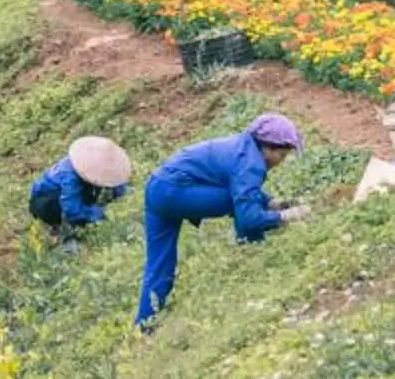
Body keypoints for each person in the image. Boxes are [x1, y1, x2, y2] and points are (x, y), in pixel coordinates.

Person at [137, 112, 308, 326]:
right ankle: (252, 252)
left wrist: (271, 202)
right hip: (176, 191)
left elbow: (237, 186)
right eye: (282, 155)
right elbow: (248, 216)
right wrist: (286, 216)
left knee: (160, 265)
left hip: (157, 187)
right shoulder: (251, 163)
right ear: (268, 148)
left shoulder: (241, 146)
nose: (281, 161)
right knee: (241, 206)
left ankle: (144, 326)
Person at [29, 135, 134, 242]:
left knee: (92, 194)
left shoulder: (86, 166)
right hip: (45, 200)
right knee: (74, 214)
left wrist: (120, 192)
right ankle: (64, 232)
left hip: (68, 193)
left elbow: (116, 184)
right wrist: (96, 213)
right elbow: (71, 209)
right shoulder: (70, 177)